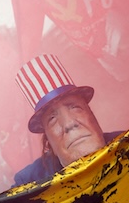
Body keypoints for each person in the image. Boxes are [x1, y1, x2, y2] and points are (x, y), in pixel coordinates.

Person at [12, 53, 122, 186]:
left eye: (75, 107)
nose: (69, 124)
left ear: (92, 115)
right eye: (52, 118)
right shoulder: (29, 183)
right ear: (48, 142)